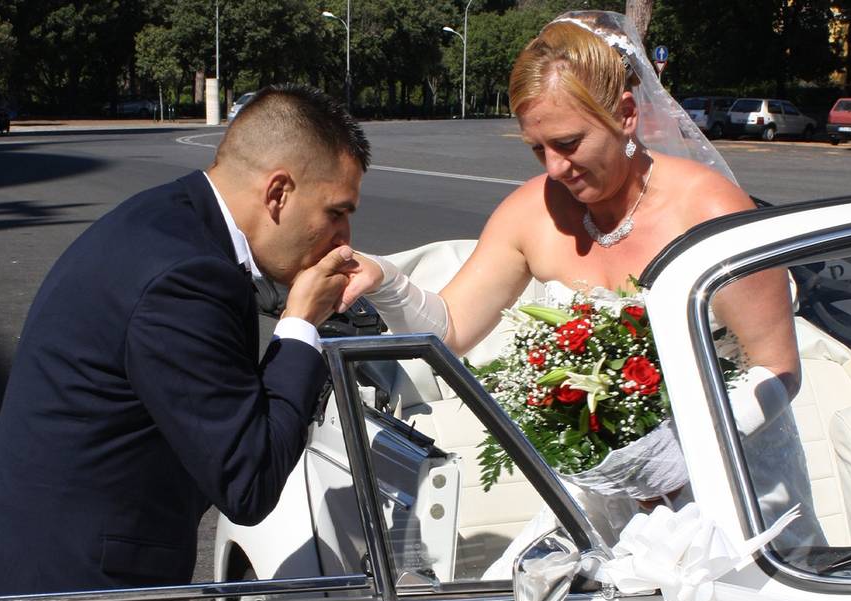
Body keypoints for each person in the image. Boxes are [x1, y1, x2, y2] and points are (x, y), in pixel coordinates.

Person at [344, 12, 817, 551]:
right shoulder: (533, 211)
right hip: (605, 493)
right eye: (536, 148)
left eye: (568, 142)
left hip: (731, 483)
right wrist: (384, 280)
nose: (553, 168)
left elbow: (777, 368)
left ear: (626, 115)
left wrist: (679, 456)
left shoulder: (709, 209)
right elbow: (450, 329)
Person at [0, 84, 369, 601]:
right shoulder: (189, 277)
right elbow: (249, 479)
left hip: (14, 554)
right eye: (337, 212)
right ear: (277, 193)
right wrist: (302, 324)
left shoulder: (170, 218)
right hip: (57, 592)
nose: (344, 237)